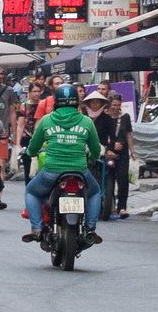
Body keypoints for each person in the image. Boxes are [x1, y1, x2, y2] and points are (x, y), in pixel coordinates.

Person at [20, 84, 103, 246]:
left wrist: (30, 152)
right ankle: (90, 228)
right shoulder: (86, 122)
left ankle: (37, 229)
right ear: (77, 102)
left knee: (31, 191)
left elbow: (34, 146)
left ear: (55, 102)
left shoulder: (46, 120)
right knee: (95, 193)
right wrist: (92, 157)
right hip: (79, 171)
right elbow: (95, 149)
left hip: (51, 172)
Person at [94, 91, 133, 219]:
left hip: (122, 152)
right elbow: (102, 135)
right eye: (114, 105)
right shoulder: (104, 117)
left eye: (118, 105)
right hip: (107, 151)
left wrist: (133, 152)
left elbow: (128, 135)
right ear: (109, 104)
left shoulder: (125, 117)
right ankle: (110, 206)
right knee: (107, 178)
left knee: (123, 179)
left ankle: (122, 208)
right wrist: (111, 144)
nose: (116, 107)